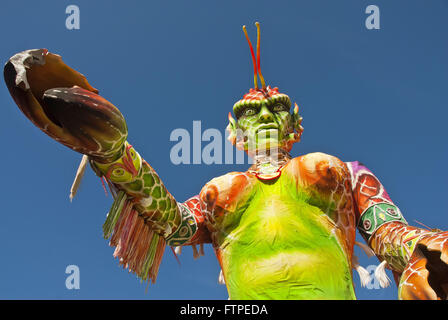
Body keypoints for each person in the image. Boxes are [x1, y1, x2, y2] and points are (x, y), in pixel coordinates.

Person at [4, 23, 448, 300]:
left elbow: (387, 230)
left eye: (277, 109)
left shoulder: (342, 172)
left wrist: (425, 249)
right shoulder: (220, 192)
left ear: (295, 128)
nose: (265, 117)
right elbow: (174, 223)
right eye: (249, 113)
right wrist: (113, 150)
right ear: (235, 136)